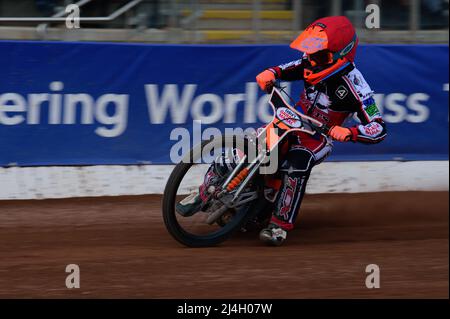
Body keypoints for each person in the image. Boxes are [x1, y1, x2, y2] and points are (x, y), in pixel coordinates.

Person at [177, 16, 387, 246]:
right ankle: (204, 190)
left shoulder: (356, 87)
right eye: (311, 53)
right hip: (293, 119)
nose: (311, 60)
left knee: (297, 163)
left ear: (340, 54)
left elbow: (378, 126)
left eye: (319, 55)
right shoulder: (309, 61)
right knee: (249, 145)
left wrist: (350, 133)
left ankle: (279, 226)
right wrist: (271, 73)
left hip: (319, 137)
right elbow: (287, 68)